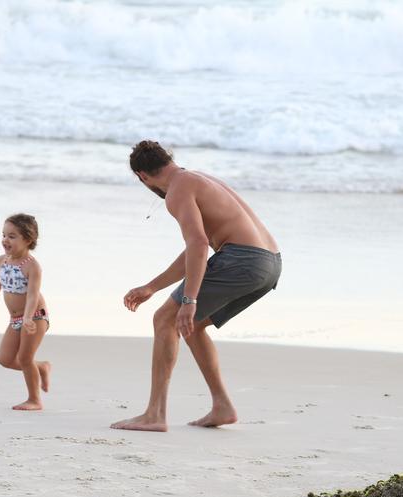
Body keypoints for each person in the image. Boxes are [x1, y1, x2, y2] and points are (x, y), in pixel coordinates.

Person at [112, 140, 282, 432]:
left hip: (242, 260)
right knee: (191, 326)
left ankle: (155, 414)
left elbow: (199, 245)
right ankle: (222, 406)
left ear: (142, 175)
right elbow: (196, 248)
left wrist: (188, 301)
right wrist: (152, 287)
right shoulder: (195, 178)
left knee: (165, 318)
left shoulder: (177, 191)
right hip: (269, 263)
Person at [0, 213, 51, 411]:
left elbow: (33, 295)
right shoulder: (1, 261)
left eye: (12, 236)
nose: (5, 240)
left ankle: (35, 400)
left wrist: (28, 317)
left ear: (28, 239)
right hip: (16, 318)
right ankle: (41, 366)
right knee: (6, 359)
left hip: (35, 317)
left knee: (25, 358)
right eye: (3, 235)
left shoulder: (32, 266)